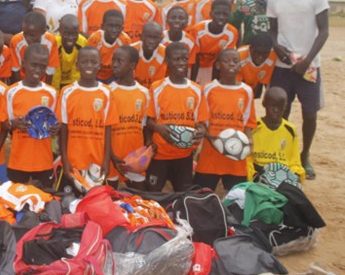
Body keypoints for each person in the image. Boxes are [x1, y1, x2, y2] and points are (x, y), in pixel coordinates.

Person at [267, 0, 329, 180]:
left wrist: (306, 61)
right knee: (280, 111)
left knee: (310, 114)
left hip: (308, 67)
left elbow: (324, 31)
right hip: (282, 66)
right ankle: (281, 152)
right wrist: (276, 46)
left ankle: (305, 156)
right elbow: (272, 30)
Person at [145, 42, 207, 192]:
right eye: (176, 59)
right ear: (167, 61)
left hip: (184, 155)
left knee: (183, 194)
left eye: (184, 59)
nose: (181, 63)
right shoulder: (157, 87)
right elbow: (148, 120)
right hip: (160, 153)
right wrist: (158, 127)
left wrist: (201, 131)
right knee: (153, 193)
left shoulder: (196, 90)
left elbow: (201, 122)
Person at [194, 49, 257, 191]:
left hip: (236, 156)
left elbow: (248, 121)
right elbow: (201, 121)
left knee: (238, 196)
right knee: (200, 195)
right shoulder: (208, 89)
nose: (231, 64)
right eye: (226, 61)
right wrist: (211, 138)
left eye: (235, 61)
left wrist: (249, 140)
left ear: (240, 66)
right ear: (217, 65)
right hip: (211, 154)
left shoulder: (247, 91)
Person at [0, 43, 58, 187]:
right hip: (19, 161)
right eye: (34, 65)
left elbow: (57, 124)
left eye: (42, 66)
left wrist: (55, 129)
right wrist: (13, 124)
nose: (38, 70)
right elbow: (4, 123)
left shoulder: (52, 93)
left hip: (44, 161)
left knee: (44, 197)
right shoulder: (12, 92)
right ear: (24, 63)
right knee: (16, 197)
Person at [57, 46, 118, 180]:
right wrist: (65, 159)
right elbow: (63, 128)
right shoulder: (67, 92)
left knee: (94, 193)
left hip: (97, 161)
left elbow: (108, 128)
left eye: (93, 62)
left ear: (100, 66)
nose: (89, 65)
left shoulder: (106, 92)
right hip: (73, 160)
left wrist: (106, 160)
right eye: (84, 62)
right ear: (77, 65)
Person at [109, 46, 150, 189]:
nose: (114, 64)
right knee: (110, 195)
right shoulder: (108, 91)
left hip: (135, 156)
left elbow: (145, 124)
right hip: (112, 156)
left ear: (132, 65)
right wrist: (111, 155)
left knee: (138, 195)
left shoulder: (144, 93)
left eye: (119, 61)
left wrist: (149, 144)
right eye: (113, 60)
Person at [247, 86, 305, 181]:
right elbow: (247, 159)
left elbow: (294, 161)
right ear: (264, 104)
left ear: (285, 107)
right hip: (258, 173)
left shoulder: (290, 130)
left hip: (282, 175)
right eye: (272, 106)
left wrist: (295, 175)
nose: (275, 110)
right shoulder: (254, 127)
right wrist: (254, 175)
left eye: (280, 106)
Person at [191, 0, 238, 85]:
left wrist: (215, 83)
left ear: (230, 15)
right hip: (195, 66)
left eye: (225, 14)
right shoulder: (197, 30)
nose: (221, 17)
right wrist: (192, 82)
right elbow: (195, 58)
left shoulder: (232, 32)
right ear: (211, 14)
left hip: (212, 67)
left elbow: (223, 59)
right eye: (217, 13)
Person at [9, 11, 60, 84]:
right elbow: (15, 69)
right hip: (23, 81)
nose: (27, 38)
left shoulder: (51, 41)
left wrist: (45, 87)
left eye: (32, 36)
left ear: (43, 32)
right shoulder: (16, 41)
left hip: (42, 82)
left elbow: (50, 70)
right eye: (25, 33)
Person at [86, 9, 131, 83]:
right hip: (96, 75)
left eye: (118, 27)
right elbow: (89, 62)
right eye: (110, 26)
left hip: (114, 76)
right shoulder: (95, 39)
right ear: (102, 26)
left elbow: (126, 64)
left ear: (122, 28)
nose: (114, 30)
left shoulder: (125, 40)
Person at [52, 14, 87, 90]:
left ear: (78, 31)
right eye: (66, 33)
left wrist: (74, 90)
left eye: (74, 34)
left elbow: (77, 69)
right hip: (57, 81)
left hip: (73, 81)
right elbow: (55, 71)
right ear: (60, 31)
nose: (70, 38)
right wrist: (56, 92)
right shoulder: (55, 44)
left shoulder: (82, 43)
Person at [130, 22, 167, 88]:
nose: (151, 41)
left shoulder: (165, 53)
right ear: (141, 36)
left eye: (155, 38)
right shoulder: (131, 51)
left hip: (156, 90)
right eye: (148, 37)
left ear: (161, 39)